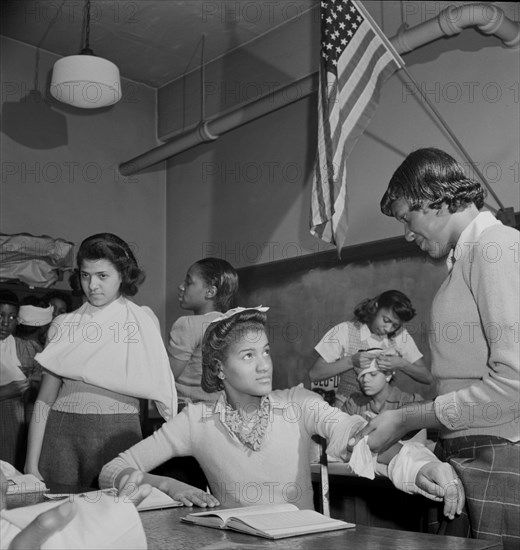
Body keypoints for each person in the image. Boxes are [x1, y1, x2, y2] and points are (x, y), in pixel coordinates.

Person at [100, 307, 464, 519]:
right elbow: (111, 471)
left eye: (266, 351)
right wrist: (167, 485)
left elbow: (355, 433)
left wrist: (419, 467)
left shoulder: (298, 403)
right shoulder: (195, 421)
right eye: (248, 355)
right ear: (220, 369)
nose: (264, 365)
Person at [356, 148, 519, 549]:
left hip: (496, 455)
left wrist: (407, 418)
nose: (407, 234)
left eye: (406, 219)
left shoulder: (495, 246)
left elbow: (514, 384)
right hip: (467, 451)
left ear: (436, 199)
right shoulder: (466, 257)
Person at [24, 233, 177, 493]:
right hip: (60, 436)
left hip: (118, 435)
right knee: (63, 522)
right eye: (86, 275)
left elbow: (161, 387)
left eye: (102, 276)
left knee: (114, 521)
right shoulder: (64, 324)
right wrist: (30, 464)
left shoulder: (142, 320)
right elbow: (44, 400)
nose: (92, 285)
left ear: (123, 275)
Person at [310, 290, 433, 408]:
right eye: (386, 320)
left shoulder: (400, 335)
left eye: (395, 325)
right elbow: (315, 374)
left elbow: (427, 377)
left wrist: (401, 364)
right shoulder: (345, 331)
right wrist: (350, 361)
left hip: (382, 409)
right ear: (375, 307)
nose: (388, 328)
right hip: (347, 410)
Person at [169, 257, 239, 410]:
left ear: (210, 291)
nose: (181, 287)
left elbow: (167, 376)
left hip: (190, 413)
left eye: (188, 282)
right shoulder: (234, 324)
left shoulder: (187, 325)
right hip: (226, 413)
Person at [0, 291, 30, 470]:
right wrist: (6, 391)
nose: (5, 323)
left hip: (14, 425)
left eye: (11, 317)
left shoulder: (20, 346)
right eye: (0, 315)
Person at [344, 354, 423, 419]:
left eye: (373, 374)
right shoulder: (354, 404)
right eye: (361, 376)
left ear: (388, 375)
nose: (365, 380)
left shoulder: (409, 402)